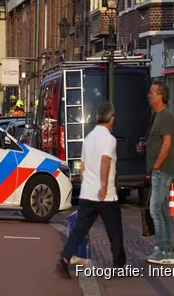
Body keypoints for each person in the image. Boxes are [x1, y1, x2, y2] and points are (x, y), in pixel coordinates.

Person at [57, 102, 125, 278]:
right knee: (114, 230)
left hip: (87, 192)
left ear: (96, 118)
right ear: (111, 119)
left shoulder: (88, 138)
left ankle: (64, 259)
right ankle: (119, 265)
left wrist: (83, 180)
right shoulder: (109, 139)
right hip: (106, 195)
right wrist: (103, 186)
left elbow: (83, 165)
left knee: (79, 229)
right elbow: (105, 161)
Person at [145, 80, 174, 264]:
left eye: (152, 93)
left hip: (162, 171)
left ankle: (162, 249)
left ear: (161, 95)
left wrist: (156, 165)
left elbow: (167, 143)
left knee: (155, 209)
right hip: (160, 170)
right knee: (163, 210)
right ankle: (167, 249)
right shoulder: (157, 116)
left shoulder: (165, 116)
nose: (149, 96)